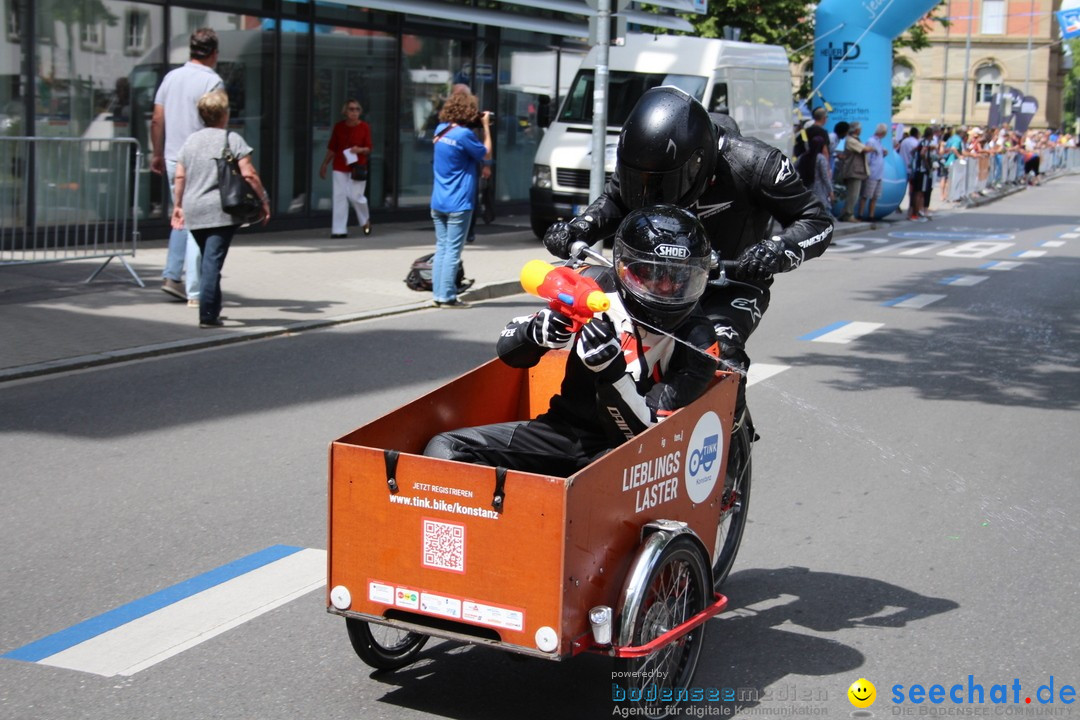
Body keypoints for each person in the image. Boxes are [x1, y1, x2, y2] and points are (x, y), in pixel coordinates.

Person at [542, 86, 833, 415]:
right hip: (651, 281)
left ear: (699, 161)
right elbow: (615, 200)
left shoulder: (757, 163)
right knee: (597, 329)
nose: (649, 191)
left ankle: (727, 441)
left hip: (731, 282)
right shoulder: (642, 162)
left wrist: (776, 249)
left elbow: (817, 221)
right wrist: (578, 228)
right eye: (639, 180)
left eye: (662, 182)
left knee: (720, 353)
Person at [424, 205, 719, 477]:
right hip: (563, 431)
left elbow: (644, 436)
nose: (666, 288)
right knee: (444, 449)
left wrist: (612, 374)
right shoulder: (593, 284)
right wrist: (536, 333)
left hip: (627, 459)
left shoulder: (700, 342)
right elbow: (508, 351)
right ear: (626, 268)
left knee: (585, 493)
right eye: (652, 274)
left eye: (679, 278)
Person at [171, 90, 270, 328]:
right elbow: (249, 174)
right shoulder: (231, 139)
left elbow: (180, 176)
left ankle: (213, 308)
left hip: (194, 209)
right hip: (221, 210)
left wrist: (177, 205)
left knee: (208, 259)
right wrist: (264, 199)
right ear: (223, 114)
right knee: (212, 263)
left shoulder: (190, 141)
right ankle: (207, 315)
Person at [151, 28, 224, 307]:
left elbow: (157, 119)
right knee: (200, 222)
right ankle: (195, 292)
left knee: (180, 215)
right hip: (200, 159)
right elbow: (218, 125)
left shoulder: (171, 78)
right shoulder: (213, 81)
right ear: (214, 53)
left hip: (172, 157)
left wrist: (157, 152)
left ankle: (172, 276)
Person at [429, 91, 492, 308]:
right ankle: (447, 296)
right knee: (453, 251)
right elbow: (485, 154)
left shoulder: (441, 130)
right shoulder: (464, 135)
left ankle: (437, 295)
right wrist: (485, 126)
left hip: (438, 201)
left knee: (442, 248)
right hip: (459, 202)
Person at [319, 99, 372, 238]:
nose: (354, 112)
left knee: (356, 196)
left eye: (357, 109)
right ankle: (339, 230)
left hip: (357, 166)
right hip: (340, 165)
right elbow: (332, 148)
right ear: (345, 112)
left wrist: (358, 149)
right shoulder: (339, 127)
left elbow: (368, 148)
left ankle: (365, 220)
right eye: (351, 109)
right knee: (339, 196)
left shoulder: (364, 127)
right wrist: (325, 164)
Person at [838, 121, 868, 222]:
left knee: (853, 194)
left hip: (856, 171)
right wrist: (874, 148)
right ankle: (848, 214)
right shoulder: (851, 140)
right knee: (853, 194)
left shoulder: (853, 140)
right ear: (856, 129)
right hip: (853, 171)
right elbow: (864, 149)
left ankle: (845, 213)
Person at [857, 123, 889, 221]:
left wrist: (883, 153)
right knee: (866, 195)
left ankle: (871, 215)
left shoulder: (878, 142)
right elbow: (867, 157)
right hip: (872, 173)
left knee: (875, 196)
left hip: (879, 173)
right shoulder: (871, 141)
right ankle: (861, 214)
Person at [796, 134, 833, 210]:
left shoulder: (802, 156)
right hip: (818, 191)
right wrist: (830, 190)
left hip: (804, 188)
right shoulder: (820, 158)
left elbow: (794, 168)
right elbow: (825, 176)